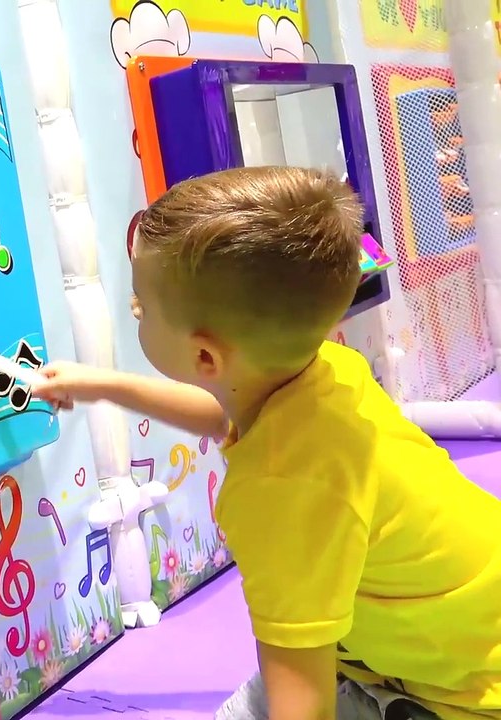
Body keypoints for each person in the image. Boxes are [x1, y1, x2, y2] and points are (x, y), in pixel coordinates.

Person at [33, 166, 501, 720]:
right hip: (448, 625)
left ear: (206, 359)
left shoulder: (283, 496)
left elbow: (302, 706)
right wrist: (98, 383)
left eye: (141, 306)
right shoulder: (325, 368)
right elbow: (222, 413)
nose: (134, 311)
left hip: (457, 693)